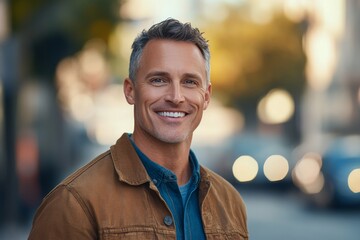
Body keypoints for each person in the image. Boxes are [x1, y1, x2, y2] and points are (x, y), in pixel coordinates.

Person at [28, 18, 248, 240]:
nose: (176, 97)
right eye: (159, 80)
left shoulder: (229, 202)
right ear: (130, 91)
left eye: (190, 82)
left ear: (206, 96)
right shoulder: (74, 203)